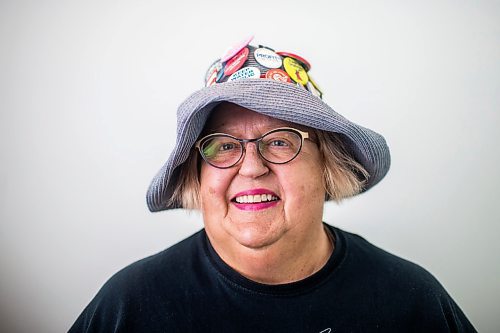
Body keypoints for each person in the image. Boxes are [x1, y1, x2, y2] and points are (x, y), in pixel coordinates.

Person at [69, 37, 476, 332]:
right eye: (223, 146)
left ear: (327, 167)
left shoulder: (408, 301)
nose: (250, 168)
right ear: (198, 175)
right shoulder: (130, 305)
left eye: (280, 141)